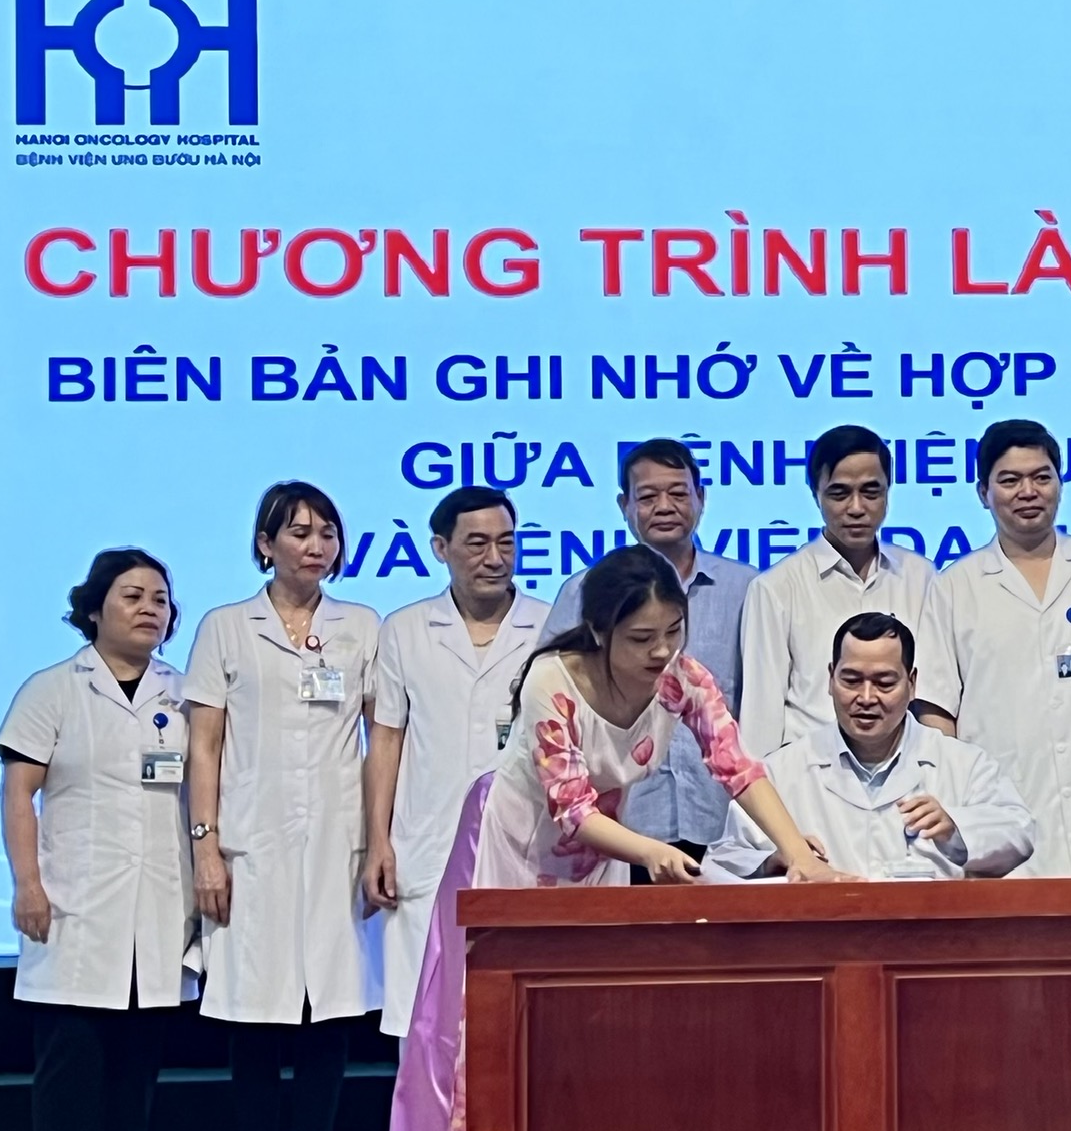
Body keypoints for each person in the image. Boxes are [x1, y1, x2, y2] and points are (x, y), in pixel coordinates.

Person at [377, 546, 843, 1131]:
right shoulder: (551, 682)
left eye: (672, 633)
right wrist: (652, 852)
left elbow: (738, 766)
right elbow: (570, 807)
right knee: (459, 1045)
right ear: (599, 632)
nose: (661, 653)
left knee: (574, 1046)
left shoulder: (682, 679)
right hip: (508, 852)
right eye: (641, 639)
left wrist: (798, 856)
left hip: (593, 860)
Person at [182, 481, 382, 1131]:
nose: (315, 545)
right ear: (265, 544)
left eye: (327, 532)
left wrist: (379, 841)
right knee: (253, 1002)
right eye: (299, 532)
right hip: (252, 840)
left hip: (335, 839)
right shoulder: (226, 628)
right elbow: (204, 747)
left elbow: (381, 739)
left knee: (329, 1001)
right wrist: (206, 846)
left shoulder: (361, 626)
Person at [0, 550, 191, 1131]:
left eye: (160, 599)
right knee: (69, 1058)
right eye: (132, 596)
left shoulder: (181, 693)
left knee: (138, 1059)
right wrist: (28, 884)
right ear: (93, 608)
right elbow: (19, 793)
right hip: (74, 899)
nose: (149, 609)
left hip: (158, 898)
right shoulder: (53, 689)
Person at [364, 487, 548, 1040]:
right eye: (477, 544)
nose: (495, 558)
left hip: (523, 846)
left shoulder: (549, 626)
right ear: (440, 548)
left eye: (506, 543)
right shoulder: (404, 629)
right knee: (423, 1022)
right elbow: (386, 741)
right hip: (427, 844)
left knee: (517, 1020)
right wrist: (378, 842)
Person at [921, 420, 1071, 877]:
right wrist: (956, 806)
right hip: (997, 813)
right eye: (1010, 480)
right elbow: (938, 713)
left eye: (1041, 477)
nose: (1028, 492)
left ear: (1060, 484)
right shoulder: (955, 586)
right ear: (983, 493)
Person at [545, 440, 757, 869]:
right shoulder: (583, 592)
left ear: (702, 497)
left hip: (723, 826)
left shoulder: (748, 588)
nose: (664, 506)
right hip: (616, 830)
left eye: (678, 493)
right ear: (624, 505)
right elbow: (557, 706)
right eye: (647, 496)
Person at [710, 613, 1036, 881]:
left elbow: (1019, 832)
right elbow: (721, 861)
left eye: (884, 683)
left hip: (930, 933)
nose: (866, 698)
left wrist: (956, 827)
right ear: (830, 679)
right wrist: (776, 859)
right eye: (851, 681)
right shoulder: (781, 770)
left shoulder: (961, 763)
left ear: (912, 683)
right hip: (824, 935)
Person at [739, 424, 950, 756]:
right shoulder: (776, 588)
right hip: (809, 773)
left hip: (905, 772)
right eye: (839, 493)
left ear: (888, 491)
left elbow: (933, 695)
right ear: (815, 494)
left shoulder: (920, 576)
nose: (856, 507)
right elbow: (760, 718)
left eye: (871, 492)